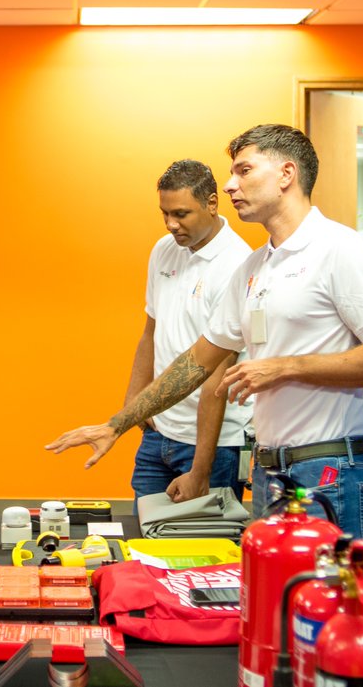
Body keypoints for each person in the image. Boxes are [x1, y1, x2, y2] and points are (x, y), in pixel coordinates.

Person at [46, 124, 363, 540]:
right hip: (270, 471)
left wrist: (284, 367)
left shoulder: (340, 249)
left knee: (323, 607)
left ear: (286, 175)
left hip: (329, 470)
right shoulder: (254, 268)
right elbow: (196, 361)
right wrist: (118, 423)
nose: (230, 184)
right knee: (268, 604)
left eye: (244, 171)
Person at [126, 159, 252, 505]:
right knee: (147, 542)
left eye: (181, 214)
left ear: (212, 203)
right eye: (164, 213)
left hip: (212, 443)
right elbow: (151, 333)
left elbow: (218, 370)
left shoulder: (238, 264)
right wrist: (137, 406)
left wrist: (201, 468)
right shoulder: (164, 250)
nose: (171, 224)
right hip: (158, 433)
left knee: (202, 551)